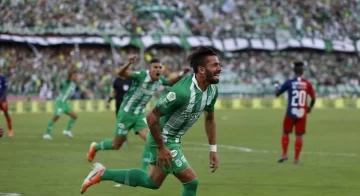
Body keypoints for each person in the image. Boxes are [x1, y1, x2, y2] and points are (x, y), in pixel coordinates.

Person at [80, 46, 221, 196]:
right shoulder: (181, 92)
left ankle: (102, 173)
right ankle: (99, 151)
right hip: (158, 136)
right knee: (191, 182)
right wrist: (161, 147)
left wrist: (213, 149)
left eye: (219, 64)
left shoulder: (212, 90)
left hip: (167, 135)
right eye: (215, 65)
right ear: (201, 70)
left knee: (152, 182)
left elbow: (210, 118)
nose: (220, 68)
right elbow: (151, 116)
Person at [86, 55, 191, 172]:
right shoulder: (141, 75)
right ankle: (95, 147)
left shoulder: (159, 80)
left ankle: (144, 170)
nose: (158, 69)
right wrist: (128, 63)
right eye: (155, 67)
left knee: (150, 139)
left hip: (140, 115)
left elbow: (171, 82)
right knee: (116, 145)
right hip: (126, 113)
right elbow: (121, 74)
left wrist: (182, 73)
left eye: (160, 67)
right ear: (149, 68)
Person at [274, 61, 316, 164]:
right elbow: (313, 98)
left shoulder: (290, 82)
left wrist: (276, 85)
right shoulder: (307, 83)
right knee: (299, 136)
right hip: (302, 113)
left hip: (290, 111)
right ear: (303, 71)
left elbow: (277, 94)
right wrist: (310, 107)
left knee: (285, 132)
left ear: (294, 71)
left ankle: (284, 154)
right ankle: (296, 159)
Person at [43, 66, 88, 140]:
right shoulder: (67, 81)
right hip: (60, 102)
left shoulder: (74, 82)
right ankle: (46, 134)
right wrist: (71, 68)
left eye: (77, 75)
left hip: (65, 103)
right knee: (56, 116)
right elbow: (68, 77)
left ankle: (67, 131)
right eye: (75, 76)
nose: (76, 77)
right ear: (71, 76)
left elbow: (81, 78)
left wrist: (85, 75)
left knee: (74, 116)